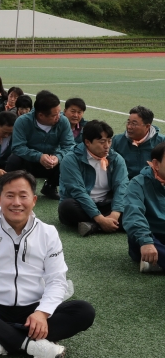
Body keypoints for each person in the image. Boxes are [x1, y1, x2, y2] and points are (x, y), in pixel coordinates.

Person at [0, 171, 96, 358]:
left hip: (33, 309)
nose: (16, 202)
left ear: (34, 200)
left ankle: (1, 340)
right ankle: (33, 345)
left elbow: (57, 281)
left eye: (23, 196)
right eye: (10, 196)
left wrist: (42, 313)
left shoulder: (48, 233)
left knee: (84, 311)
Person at [58, 120, 128, 237]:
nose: (107, 146)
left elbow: (122, 186)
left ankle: (94, 226)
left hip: (107, 204)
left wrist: (115, 213)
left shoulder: (116, 158)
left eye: (109, 141)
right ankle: (105, 223)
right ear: (87, 142)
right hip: (81, 205)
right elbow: (78, 191)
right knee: (67, 207)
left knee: (137, 204)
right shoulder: (71, 159)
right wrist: (100, 218)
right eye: (102, 142)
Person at [6, 90, 75, 200]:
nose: (59, 116)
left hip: (52, 161)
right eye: (54, 115)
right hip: (29, 161)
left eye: (59, 112)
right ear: (41, 115)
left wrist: (58, 157)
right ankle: (15, 187)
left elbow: (70, 146)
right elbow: (17, 147)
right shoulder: (22, 121)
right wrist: (39, 157)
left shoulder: (63, 121)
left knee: (71, 159)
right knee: (13, 160)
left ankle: (50, 186)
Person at [123, 142, 165, 273]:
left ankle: (155, 264)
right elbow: (133, 214)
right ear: (156, 164)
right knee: (140, 239)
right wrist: (146, 241)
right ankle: (153, 259)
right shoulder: (138, 183)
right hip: (149, 236)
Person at [112, 106, 165, 180]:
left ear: (147, 126)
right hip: (125, 183)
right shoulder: (117, 140)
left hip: (153, 184)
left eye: (134, 124)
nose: (129, 127)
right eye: (128, 122)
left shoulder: (162, 142)